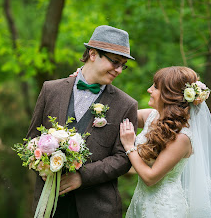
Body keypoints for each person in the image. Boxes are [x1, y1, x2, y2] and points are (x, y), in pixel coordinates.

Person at [26, 25, 138, 218]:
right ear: (93, 54)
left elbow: (122, 159)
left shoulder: (126, 104)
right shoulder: (51, 90)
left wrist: (82, 176)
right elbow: (32, 139)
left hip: (98, 209)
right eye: (115, 62)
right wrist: (41, 166)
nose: (119, 70)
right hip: (50, 206)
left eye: (123, 65)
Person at [120, 66, 211, 217]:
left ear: (169, 95)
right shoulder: (151, 116)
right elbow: (119, 114)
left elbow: (150, 177)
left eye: (155, 87)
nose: (149, 90)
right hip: (140, 203)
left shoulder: (182, 138)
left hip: (164, 209)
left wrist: (129, 146)